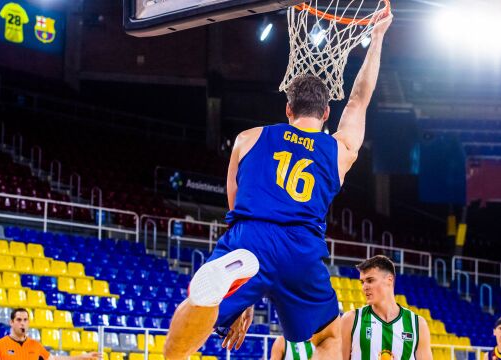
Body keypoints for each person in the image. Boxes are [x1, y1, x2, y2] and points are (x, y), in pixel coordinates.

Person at [163, 10, 393, 360]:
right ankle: (227, 285)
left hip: (249, 239)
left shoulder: (248, 138)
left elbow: (234, 203)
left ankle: (208, 302)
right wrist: (376, 39)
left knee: (197, 322)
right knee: (329, 337)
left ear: (288, 109)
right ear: (326, 114)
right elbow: (360, 99)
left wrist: (245, 288)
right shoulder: (339, 150)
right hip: (301, 248)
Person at [341, 255, 433, 359]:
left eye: (370, 280)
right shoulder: (351, 320)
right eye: (362, 282)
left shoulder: (418, 325)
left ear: (389, 280)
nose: (364, 287)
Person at [0, 308, 102, 360]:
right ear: (11, 322)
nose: (22, 324)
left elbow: (53, 359)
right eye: (19, 320)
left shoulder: (35, 345)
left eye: (25, 320)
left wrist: (81, 357)